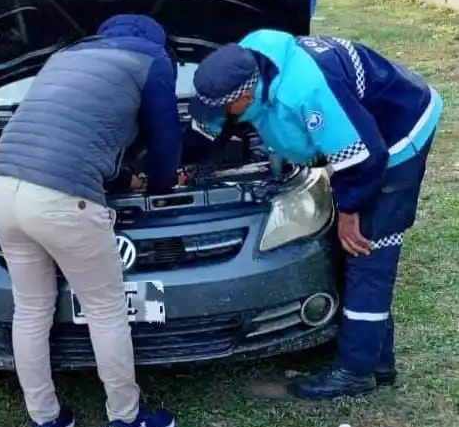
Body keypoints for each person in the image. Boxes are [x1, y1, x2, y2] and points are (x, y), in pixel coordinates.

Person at [189, 29, 442, 400]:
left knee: (367, 251)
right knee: (354, 254)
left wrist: (350, 212)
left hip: (399, 131)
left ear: (245, 95)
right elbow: (215, 126)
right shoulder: (245, 62)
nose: (222, 115)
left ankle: (356, 372)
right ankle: (377, 360)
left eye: (224, 108)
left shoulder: (307, 89)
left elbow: (365, 157)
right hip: (364, 135)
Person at [0, 14, 181, 427]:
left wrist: (122, 176)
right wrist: (160, 183)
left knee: (30, 310)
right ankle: (126, 423)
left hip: (3, 188)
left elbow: (74, 135)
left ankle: (45, 425)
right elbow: (165, 138)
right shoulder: (152, 59)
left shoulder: (64, 57)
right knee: (106, 310)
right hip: (63, 199)